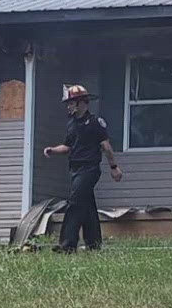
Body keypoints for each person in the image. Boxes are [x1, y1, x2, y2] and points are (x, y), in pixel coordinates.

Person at [42, 84, 122, 253]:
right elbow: (68, 147)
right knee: (87, 206)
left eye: (71, 103)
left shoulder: (95, 123)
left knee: (75, 203)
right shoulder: (71, 124)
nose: (68, 106)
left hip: (89, 169)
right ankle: (94, 243)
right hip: (75, 169)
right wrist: (52, 150)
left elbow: (106, 146)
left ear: (81, 103)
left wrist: (114, 167)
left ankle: (67, 245)